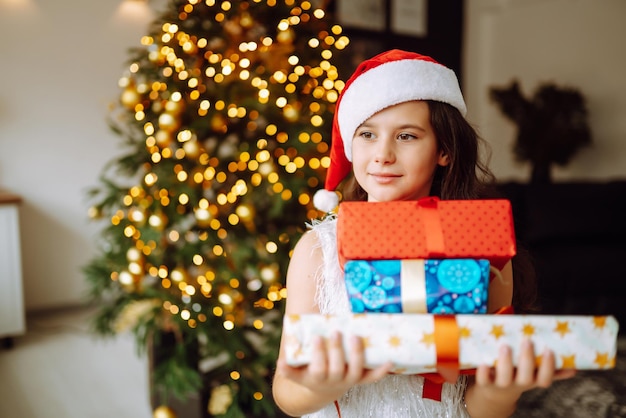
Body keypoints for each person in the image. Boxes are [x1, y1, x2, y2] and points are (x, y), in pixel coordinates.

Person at [272, 49, 575, 418]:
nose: (382, 154)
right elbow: (286, 393)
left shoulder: (481, 246)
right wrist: (322, 384)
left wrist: (501, 389)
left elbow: (482, 408)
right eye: (367, 134)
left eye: (406, 136)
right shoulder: (317, 250)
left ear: (444, 150)